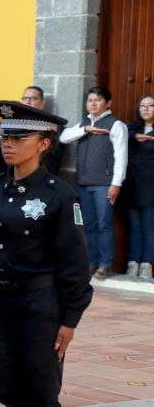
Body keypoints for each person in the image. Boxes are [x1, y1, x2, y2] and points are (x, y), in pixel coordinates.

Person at [0, 100, 93, 407]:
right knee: (11, 393)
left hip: (39, 304)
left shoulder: (60, 195)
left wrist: (70, 319)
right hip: (0, 300)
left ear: (44, 143)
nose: (8, 144)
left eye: (18, 137)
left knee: (40, 395)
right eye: (4, 136)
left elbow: (75, 262)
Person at [60, 86, 128, 278]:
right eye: (90, 100)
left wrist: (116, 184)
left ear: (108, 103)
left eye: (97, 100)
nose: (93, 103)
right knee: (88, 225)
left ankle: (105, 264)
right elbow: (63, 137)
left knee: (104, 225)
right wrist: (85, 129)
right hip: (83, 183)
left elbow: (121, 157)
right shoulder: (84, 123)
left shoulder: (116, 125)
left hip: (105, 184)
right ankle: (91, 262)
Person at [125, 94, 154, 280]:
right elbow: (120, 134)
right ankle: (132, 262)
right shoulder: (131, 128)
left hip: (152, 187)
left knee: (149, 228)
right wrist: (135, 136)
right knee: (134, 227)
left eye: (151, 105)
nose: (146, 108)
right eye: (142, 105)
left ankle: (146, 264)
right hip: (132, 186)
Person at [22, 85, 63, 174]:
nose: (28, 102)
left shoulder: (53, 124)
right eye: (25, 98)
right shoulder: (16, 122)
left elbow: (53, 154)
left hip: (42, 173)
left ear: (42, 102)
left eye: (33, 98)